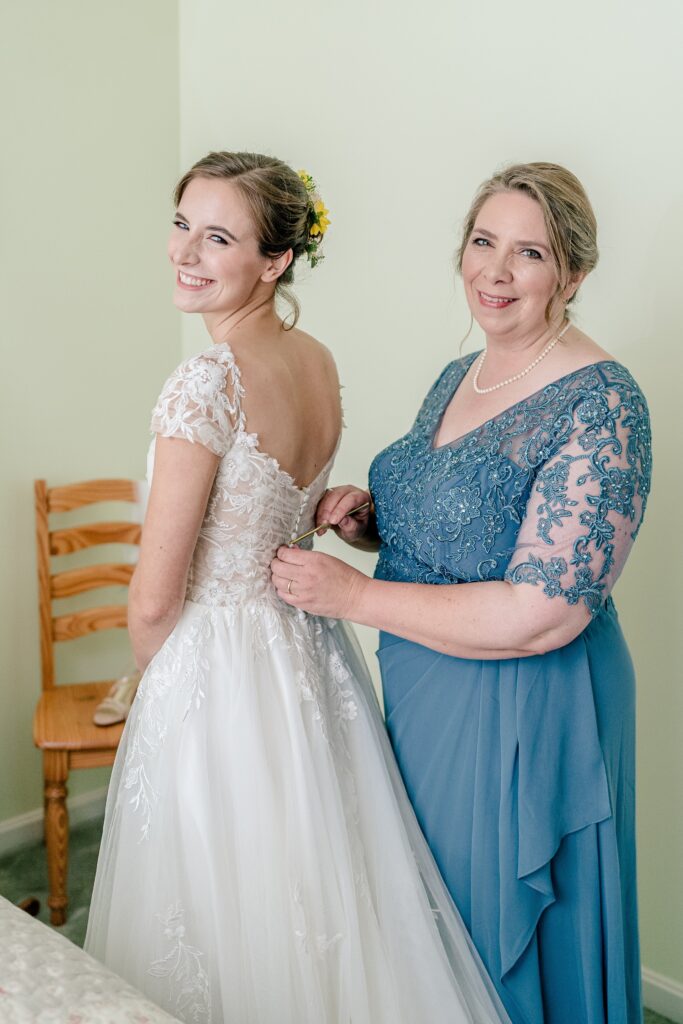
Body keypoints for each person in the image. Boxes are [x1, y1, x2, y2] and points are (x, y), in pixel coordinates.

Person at [84, 151, 509, 1024]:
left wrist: (160, 693)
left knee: (220, 903)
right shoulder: (311, 358)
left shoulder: (206, 381)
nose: (185, 252)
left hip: (220, 666)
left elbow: (157, 594)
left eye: (218, 237)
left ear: (274, 261)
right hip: (307, 650)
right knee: (324, 888)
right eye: (180, 225)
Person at [272, 162, 652, 1024]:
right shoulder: (458, 376)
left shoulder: (604, 403)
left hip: (528, 701)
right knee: (427, 932)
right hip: (426, 686)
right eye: (484, 243)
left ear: (573, 275)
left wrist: (352, 595)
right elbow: (462, 528)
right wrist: (374, 525)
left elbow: (541, 611)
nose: (496, 270)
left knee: (496, 934)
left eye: (529, 253)